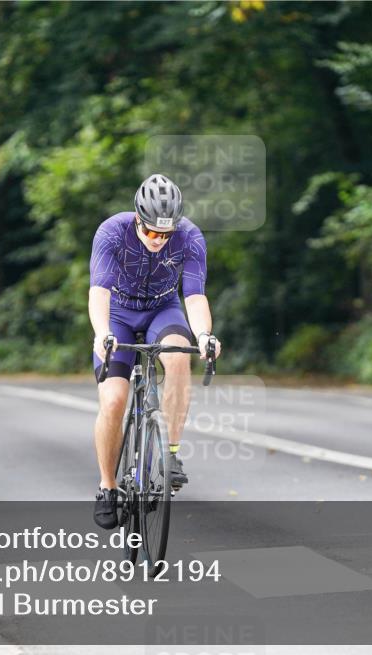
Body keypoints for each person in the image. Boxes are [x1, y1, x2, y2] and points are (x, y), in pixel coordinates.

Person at [89, 174, 221, 529]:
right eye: (150, 232)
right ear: (137, 219)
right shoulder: (112, 232)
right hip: (117, 314)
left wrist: (205, 334)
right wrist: (102, 333)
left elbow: (194, 295)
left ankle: (171, 455)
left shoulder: (190, 237)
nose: (158, 240)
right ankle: (107, 485)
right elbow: (99, 292)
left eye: (165, 234)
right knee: (114, 400)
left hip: (163, 310)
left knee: (179, 355)